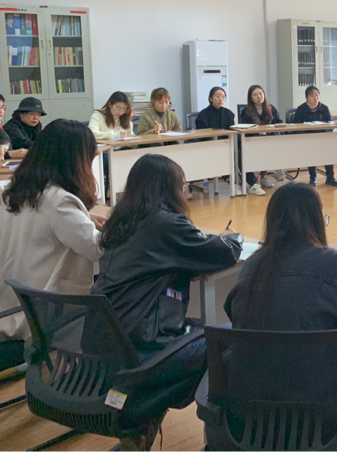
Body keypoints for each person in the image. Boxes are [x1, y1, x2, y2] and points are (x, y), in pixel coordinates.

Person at [90, 154, 243, 451]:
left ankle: (141, 428)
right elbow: (222, 252)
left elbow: (149, 265)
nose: (184, 191)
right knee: (228, 339)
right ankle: (223, 440)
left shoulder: (121, 222)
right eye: (182, 185)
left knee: (198, 330)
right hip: (142, 351)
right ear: (168, 188)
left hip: (106, 349)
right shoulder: (165, 223)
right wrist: (232, 238)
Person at [225, 183, 337, 395]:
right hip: (322, 402)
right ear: (316, 221)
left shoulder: (251, 265)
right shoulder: (331, 263)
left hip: (253, 400)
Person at [0, 120, 105, 341]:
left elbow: (40, 221)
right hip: (40, 314)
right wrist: (127, 226)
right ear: (75, 161)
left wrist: (83, 218)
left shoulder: (13, 190)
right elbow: (97, 248)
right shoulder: (59, 201)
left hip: (10, 303)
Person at [292, 85, 337, 187]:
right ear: (306, 97)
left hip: (322, 138)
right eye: (312, 96)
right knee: (310, 149)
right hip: (307, 139)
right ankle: (313, 177)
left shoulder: (324, 108)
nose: (315, 98)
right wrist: (307, 136)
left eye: (317, 95)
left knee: (328, 150)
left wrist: (324, 133)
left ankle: (330, 177)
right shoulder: (301, 109)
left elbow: (330, 125)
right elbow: (296, 127)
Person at [239, 84, 283, 196]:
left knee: (271, 144)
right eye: (255, 95)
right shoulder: (246, 111)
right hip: (252, 141)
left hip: (269, 140)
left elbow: (278, 122)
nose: (259, 96)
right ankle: (272, 172)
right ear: (250, 98)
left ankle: (263, 176)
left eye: (261, 93)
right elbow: (244, 128)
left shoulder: (271, 108)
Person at [195, 86, 237, 195]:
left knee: (234, 153)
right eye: (217, 96)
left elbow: (231, 131)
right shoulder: (203, 115)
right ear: (210, 98)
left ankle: (235, 181)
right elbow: (202, 135)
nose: (220, 99)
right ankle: (229, 179)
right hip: (208, 147)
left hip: (225, 146)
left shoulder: (229, 114)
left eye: (223, 97)